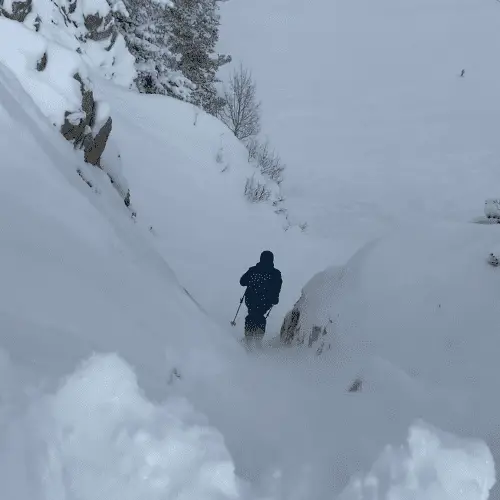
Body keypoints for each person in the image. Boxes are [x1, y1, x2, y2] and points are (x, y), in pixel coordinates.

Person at [239, 250, 282, 349]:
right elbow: (278, 287)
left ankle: (248, 339)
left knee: (251, 315)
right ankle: (258, 339)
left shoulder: (253, 270)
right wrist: (275, 299)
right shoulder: (276, 274)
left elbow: (242, 282)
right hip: (265, 302)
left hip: (251, 300)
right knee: (260, 317)